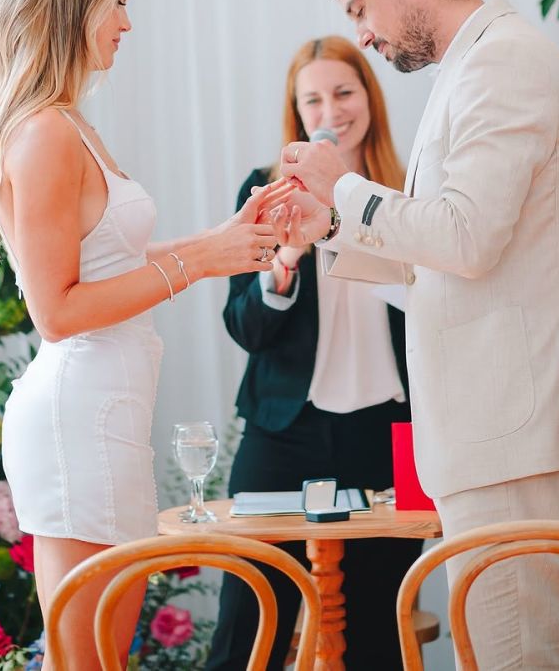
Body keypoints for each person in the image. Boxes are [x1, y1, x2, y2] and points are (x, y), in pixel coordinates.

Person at [271, 0, 559, 669]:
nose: (363, 31)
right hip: (499, 431)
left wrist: (342, 188)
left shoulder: (502, 61)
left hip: (513, 431)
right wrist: (329, 227)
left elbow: (464, 237)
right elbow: (441, 249)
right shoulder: (472, 64)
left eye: (361, 7)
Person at [0, 0, 288, 671]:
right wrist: (201, 262)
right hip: (77, 414)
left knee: (103, 653)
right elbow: (59, 309)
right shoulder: (43, 133)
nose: (127, 21)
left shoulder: (69, 123)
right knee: (86, 662)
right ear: (70, 6)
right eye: (115, 2)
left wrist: (221, 239)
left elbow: (116, 260)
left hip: (106, 409)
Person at [206, 36, 421, 671]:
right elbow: (243, 327)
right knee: (248, 630)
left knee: (380, 635)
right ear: (297, 114)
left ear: (370, 98)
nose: (331, 110)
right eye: (313, 99)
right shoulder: (262, 192)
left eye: (344, 92)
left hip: (387, 434)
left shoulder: (406, 191)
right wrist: (284, 266)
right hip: (283, 433)